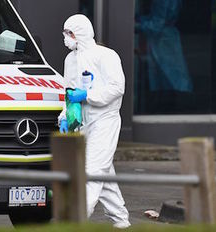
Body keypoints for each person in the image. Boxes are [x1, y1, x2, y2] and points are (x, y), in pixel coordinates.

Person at [58, 14, 130, 228]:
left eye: (68, 33)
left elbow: (117, 88)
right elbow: (69, 93)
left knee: (91, 171)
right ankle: (121, 220)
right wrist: (66, 118)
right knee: (103, 171)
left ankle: (73, 221)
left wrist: (88, 96)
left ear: (79, 33)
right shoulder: (70, 60)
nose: (65, 38)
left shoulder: (106, 56)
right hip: (83, 122)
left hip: (104, 120)